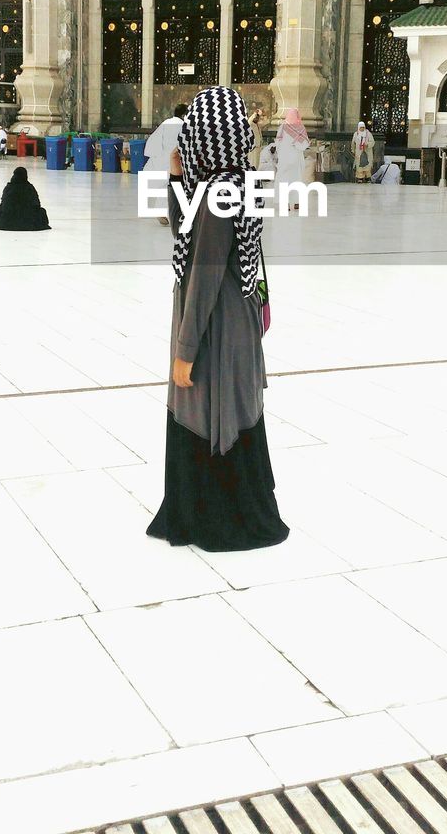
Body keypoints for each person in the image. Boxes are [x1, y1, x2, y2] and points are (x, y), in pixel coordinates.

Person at [147, 85, 289, 553]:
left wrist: (185, 354)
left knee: (207, 410)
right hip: (238, 320)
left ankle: (214, 515)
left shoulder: (216, 194)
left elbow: (204, 275)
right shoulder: (237, 179)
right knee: (239, 406)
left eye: (191, 134)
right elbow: (183, 228)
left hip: (215, 326)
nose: (184, 142)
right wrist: (174, 179)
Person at [145, 103, 188, 226]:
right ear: (184, 115)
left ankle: (162, 211)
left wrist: (155, 156)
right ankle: (164, 211)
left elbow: (153, 141)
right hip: (174, 160)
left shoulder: (166, 123)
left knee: (166, 185)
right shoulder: (184, 126)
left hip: (161, 158)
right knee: (170, 185)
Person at [275, 108, 310, 210]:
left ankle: (285, 204)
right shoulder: (300, 127)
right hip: (296, 158)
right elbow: (303, 145)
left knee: (284, 180)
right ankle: (296, 202)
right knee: (297, 180)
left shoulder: (282, 127)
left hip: (284, 158)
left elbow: (278, 142)